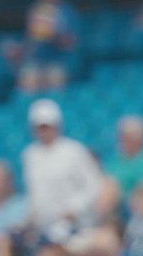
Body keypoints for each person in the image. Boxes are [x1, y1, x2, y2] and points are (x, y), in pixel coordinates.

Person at [21, 99, 102, 239]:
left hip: (76, 224)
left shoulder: (74, 150)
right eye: (40, 127)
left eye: (47, 126)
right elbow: (34, 192)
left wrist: (74, 210)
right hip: (44, 226)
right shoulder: (30, 155)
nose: (44, 131)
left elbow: (94, 186)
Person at [6, 0, 80, 92]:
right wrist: (18, 51)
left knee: (55, 90)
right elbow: (31, 40)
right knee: (26, 87)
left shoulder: (66, 11)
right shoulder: (35, 10)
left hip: (58, 63)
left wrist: (53, 34)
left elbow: (71, 43)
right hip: (35, 61)